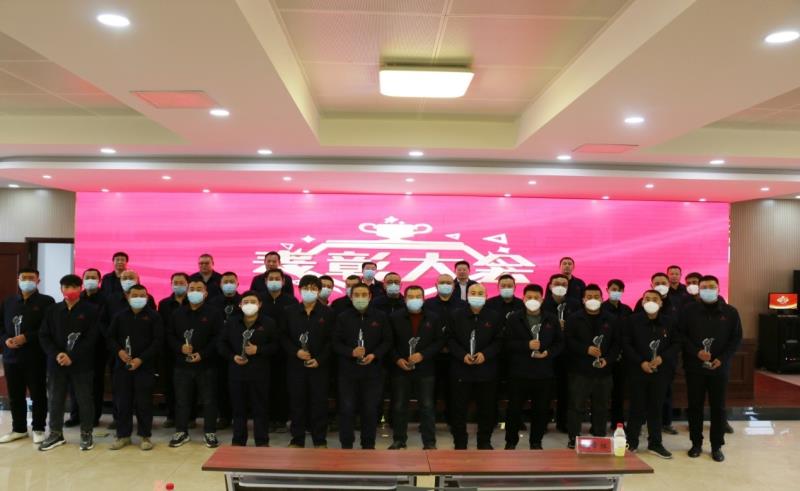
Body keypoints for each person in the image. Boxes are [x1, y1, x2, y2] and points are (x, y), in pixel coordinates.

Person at [681, 275, 742, 462]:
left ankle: (717, 446)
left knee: (718, 407)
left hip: (719, 368)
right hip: (694, 367)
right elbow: (681, 336)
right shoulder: (688, 311)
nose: (708, 290)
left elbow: (736, 339)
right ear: (699, 290)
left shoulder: (730, 312)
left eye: (711, 286)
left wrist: (722, 359)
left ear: (718, 288)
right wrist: (696, 352)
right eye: (704, 287)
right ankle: (696, 444)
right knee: (695, 407)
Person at [38, 274, 100, 451]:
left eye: (74, 287)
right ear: (61, 289)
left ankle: (86, 433)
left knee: (84, 399)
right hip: (56, 363)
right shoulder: (52, 310)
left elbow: (92, 337)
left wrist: (72, 356)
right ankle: (56, 434)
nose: (70, 290)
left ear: (80, 289)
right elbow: (44, 335)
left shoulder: (92, 310)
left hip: (81, 364)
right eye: (66, 287)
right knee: (55, 399)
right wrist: (56, 354)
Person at [504, 284, 563, 450]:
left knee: (541, 411)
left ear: (542, 299)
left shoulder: (551, 319)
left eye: (536, 297)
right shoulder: (514, 318)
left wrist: (548, 353)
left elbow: (560, 343)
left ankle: (536, 442)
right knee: (514, 410)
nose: (532, 300)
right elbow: (507, 343)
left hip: (543, 373)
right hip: (519, 373)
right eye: (529, 297)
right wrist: (526, 345)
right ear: (523, 299)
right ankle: (511, 442)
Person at [622, 290, 680, 459]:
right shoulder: (632, 321)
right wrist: (641, 362)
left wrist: (662, 358)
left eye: (655, 299)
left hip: (661, 371)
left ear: (661, 303)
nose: (651, 301)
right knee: (636, 407)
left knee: (656, 407)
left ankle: (655, 443)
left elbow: (677, 343)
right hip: (637, 370)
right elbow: (626, 344)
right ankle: (631, 442)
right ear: (642, 302)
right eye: (647, 299)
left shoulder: (669, 321)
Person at [334, 283, 392, 449]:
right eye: (357, 295)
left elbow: (387, 341)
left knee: (370, 409)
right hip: (348, 372)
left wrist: (374, 355)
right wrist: (351, 352)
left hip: (373, 371)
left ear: (370, 296)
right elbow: (335, 342)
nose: (360, 298)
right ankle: (346, 444)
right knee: (347, 409)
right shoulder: (343, 317)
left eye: (364, 295)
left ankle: (368, 444)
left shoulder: (380, 316)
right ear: (351, 297)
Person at [0, 267, 54, 444]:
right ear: (18, 280)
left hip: (35, 357)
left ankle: (38, 428)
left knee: (37, 394)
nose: (27, 281)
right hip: (11, 357)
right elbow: (1, 327)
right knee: (15, 395)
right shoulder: (9, 302)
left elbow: (48, 329)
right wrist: (6, 340)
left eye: (31, 278)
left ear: (38, 281)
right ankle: (19, 429)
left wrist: (27, 337)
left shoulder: (47, 302)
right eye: (24, 278)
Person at [167, 280, 223, 448]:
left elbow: (218, 337)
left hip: (207, 365)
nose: (195, 291)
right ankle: (181, 431)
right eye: (192, 289)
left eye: (199, 289)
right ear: (187, 291)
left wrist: (203, 354)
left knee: (209, 400)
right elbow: (169, 335)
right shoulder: (177, 313)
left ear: (205, 293)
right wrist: (180, 347)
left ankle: (210, 432)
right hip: (182, 365)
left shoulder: (214, 313)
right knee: (182, 400)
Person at [107, 284, 164, 451]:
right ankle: (123, 436)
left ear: (147, 297)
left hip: (145, 367)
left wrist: (141, 359)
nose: (138, 298)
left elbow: (158, 341)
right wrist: (119, 352)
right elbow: (110, 338)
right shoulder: (119, 316)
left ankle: (145, 436)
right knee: (122, 402)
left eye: (142, 295)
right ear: (127, 297)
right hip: (122, 366)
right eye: (135, 295)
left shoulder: (154, 316)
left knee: (144, 403)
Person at [281, 275, 336, 448]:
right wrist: (296, 352)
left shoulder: (328, 313)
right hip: (296, 365)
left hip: (319, 366)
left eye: (313, 288)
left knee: (319, 403)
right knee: (297, 403)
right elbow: (283, 336)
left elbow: (332, 340)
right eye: (306, 288)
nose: (309, 291)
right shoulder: (289, 311)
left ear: (319, 291)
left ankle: (320, 440)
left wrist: (319, 359)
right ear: (299, 290)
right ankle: (297, 439)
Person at [218, 291, 278, 447]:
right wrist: (232, 357)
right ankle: (238, 441)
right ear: (240, 305)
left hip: (260, 373)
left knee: (261, 409)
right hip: (237, 372)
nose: (249, 304)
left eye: (253, 302)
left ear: (260, 304)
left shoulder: (269, 323)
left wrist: (258, 350)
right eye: (246, 302)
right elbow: (221, 344)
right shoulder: (231, 322)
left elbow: (276, 346)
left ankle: (262, 441)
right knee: (238, 409)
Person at [387, 285, 444, 450]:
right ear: (405, 299)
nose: (414, 300)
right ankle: (399, 440)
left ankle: (429, 442)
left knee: (427, 406)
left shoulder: (433, 317)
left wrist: (423, 355)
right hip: (401, 368)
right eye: (411, 297)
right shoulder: (394, 317)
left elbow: (439, 341)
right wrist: (397, 359)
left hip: (425, 369)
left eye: (418, 296)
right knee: (399, 406)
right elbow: (388, 342)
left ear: (423, 299)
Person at [448, 283, 503, 450]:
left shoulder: (494, 316)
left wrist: (485, 354)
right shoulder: (456, 315)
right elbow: (449, 339)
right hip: (461, 368)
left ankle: (484, 441)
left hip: (486, 369)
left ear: (486, 296)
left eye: (480, 293)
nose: (476, 296)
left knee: (486, 408)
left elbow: (500, 340)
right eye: (473, 293)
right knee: (458, 409)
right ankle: (460, 442)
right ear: (467, 296)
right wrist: (462, 355)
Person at [565, 284, 620, 448]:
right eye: (589, 297)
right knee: (576, 406)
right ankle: (573, 437)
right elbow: (568, 341)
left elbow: (616, 343)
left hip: (604, 371)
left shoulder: (611, 319)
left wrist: (607, 360)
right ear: (583, 300)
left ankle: (599, 435)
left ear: (602, 299)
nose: (593, 300)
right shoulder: (574, 318)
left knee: (601, 406)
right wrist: (585, 349)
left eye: (596, 297)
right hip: (580, 371)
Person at [634, 272, 680, 434]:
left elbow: (677, 335)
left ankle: (665, 423)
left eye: (663, 283)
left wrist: (664, 357)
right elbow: (634, 330)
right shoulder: (641, 304)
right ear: (651, 284)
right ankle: (639, 424)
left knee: (665, 393)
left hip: (666, 360)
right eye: (657, 283)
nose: (660, 285)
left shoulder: (675, 303)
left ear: (668, 285)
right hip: (643, 360)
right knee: (640, 396)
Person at [423, 274, 467, 427]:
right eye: (442, 282)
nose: (445, 285)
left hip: (455, 356)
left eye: (448, 282)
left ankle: (452, 421)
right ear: (436, 285)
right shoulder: (427, 304)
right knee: (430, 391)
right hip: (432, 355)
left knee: (454, 391)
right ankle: (427, 423)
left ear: (454, 286)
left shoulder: (463, 305)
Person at [259, 268, 298, 433]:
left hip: (285, 351)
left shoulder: (291, 301)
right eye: (271, 278)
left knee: (282, 386)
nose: (274, 281)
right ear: (265, 281)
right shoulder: (259, 299)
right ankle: (266, 420)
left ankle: (281, 419)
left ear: (283, 282)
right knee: (264, 386)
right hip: (262, 351)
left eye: (277, 278)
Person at [542, 273, 580, 433]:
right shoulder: (542, 304)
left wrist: (567, 326)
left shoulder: (575, 304)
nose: (560, 286)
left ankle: (563, 422)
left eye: (564, 284)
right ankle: (542, 422)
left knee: (566, 390)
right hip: (547, 354)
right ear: (550, 286)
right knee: (545, 390)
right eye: (556, 283)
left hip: (568, 354)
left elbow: (580, 328)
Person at [208, 271, 243, 429]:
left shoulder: (244, 301)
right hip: (218, 351)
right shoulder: (213, 302)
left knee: (238, 387)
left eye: (232, 281)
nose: (229, 284)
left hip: (238, 350)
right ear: (220, 285)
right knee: (220, 385)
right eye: (225, 282)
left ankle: (240, 417)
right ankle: (224, 416)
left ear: (237, 283)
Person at [157, 272, 191, 428]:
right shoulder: (164, 304)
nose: (178, 285)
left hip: (190, 350)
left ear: (187, 284)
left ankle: (190, 417)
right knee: (170, 385)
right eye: (175, 282)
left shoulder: (193, 302)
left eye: (181, 282)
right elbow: (162, 328)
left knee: (190, 386)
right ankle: (171, 415)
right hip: (169, 351)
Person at [602, 279, 633, 429]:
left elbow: (631, 332)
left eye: (619, 289)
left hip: (622, 357)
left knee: (619, 393)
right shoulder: (601, 308)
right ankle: (599, 423)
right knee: (602, 392)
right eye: (613, 289)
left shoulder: (627, 310)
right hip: (605, 357)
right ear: (607, 290)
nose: (616, 292)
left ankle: (617, 423)